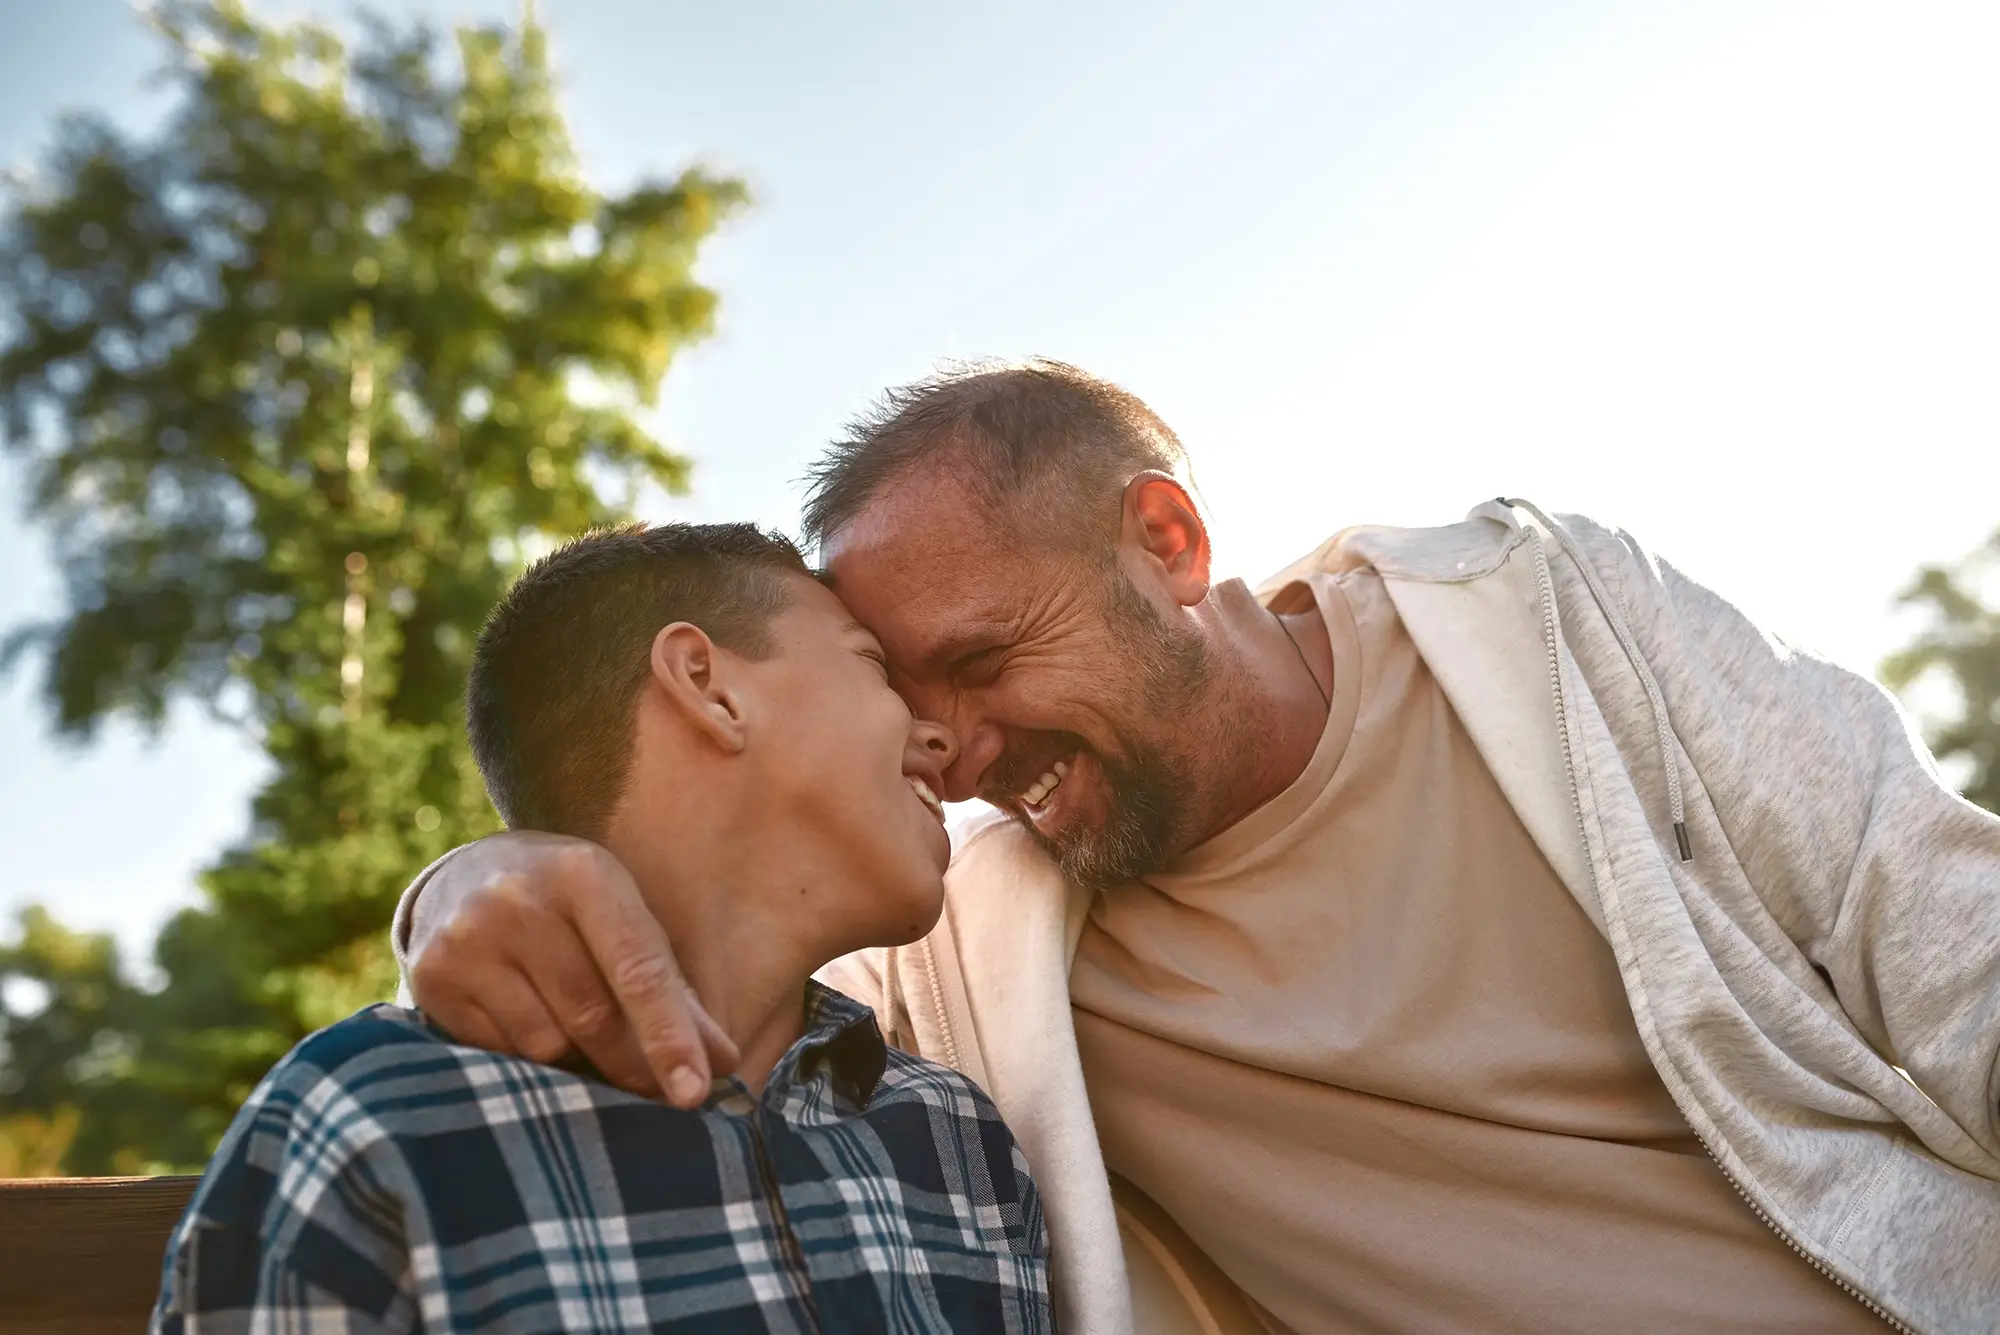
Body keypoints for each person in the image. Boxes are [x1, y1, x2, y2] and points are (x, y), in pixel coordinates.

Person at [394, 363, 2000, 1335]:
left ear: (1164, 542)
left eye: (974, 658)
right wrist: (464, 878)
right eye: (899, 687)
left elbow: (1932, 913)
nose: (942, 745)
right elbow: (712, 942)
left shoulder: (1550, 623)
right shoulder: (971, 924)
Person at [153, 523, 1053, 1335]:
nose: (939, 736)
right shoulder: (371, 1122)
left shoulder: (953, 1137)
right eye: (872, 667)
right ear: (708, 686)